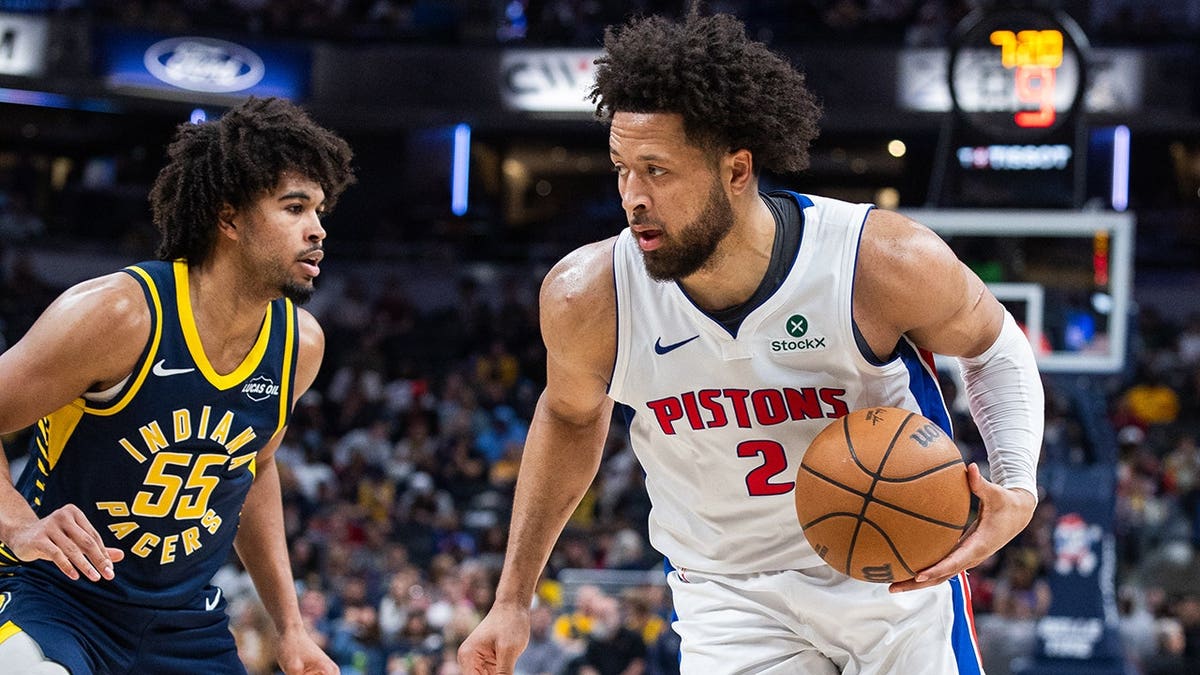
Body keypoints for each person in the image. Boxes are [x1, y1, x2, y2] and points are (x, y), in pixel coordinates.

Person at [459, 11, 1044, 675]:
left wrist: (1017, 485)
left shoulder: (877, 260)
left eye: (658, 170)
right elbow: (568, 416)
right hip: (727, 594)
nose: (632, 197)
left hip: (892, 574)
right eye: (622, 168)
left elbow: (993, 343)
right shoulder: (589, 296)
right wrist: (512, 598)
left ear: (736, 169)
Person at [0, 96, 354, 674]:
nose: (317, 230)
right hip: (54, 598)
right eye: (294, 208)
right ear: (229, 216)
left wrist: (290, 627)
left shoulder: (299, 345)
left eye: (320, 211)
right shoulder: (118, 314)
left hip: (183, 623)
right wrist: (16, 522)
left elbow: (255, 469)